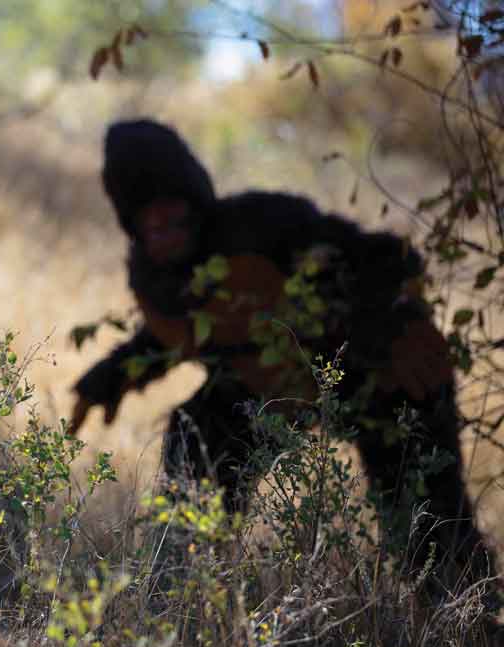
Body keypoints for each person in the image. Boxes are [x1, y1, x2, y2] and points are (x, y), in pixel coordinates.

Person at [69, 118, 496, 599]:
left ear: (196, 200)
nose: (163, 227)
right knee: (198, 437)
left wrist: (398, 324)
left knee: (427, 512)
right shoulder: (154, 279)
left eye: (173, 210)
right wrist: (111, 375)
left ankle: (468, 617)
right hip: (268, 388)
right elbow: (174, 335)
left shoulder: (262, 221)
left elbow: (382, 257)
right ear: (133, 223)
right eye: (149, 218)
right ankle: (182, 598)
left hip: (371, 371)